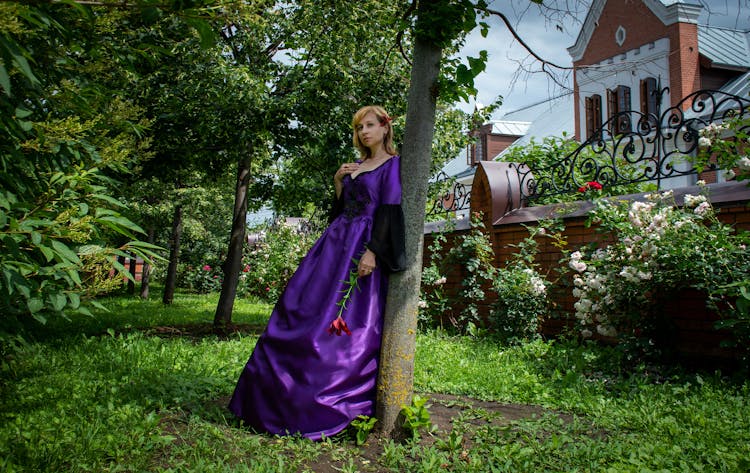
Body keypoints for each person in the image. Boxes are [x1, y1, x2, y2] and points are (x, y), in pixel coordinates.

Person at [228, 105, 406, 440]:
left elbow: (388, 210)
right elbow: (342, 210)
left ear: (385, 128)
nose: (363, 132)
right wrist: (339, 182)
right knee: (300, 308)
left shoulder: (391, 165)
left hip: (360, 250)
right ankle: (271, 400)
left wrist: (372, 252)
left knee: (342, 326)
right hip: (333, 247)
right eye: (358, 128)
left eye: (370, 125)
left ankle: (324, 407)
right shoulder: (356, 166)